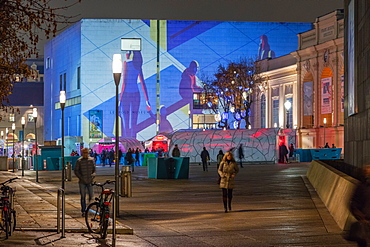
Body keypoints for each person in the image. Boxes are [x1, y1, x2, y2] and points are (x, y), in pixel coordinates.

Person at [348, 165, 370, 247]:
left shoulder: (361, 187)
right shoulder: (362, 187)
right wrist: (362, 218)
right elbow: (354, 204)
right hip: (365, 221)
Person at [74, 148, 96, 217]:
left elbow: (94, 169)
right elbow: (76, 170)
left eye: (86, 152)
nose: (85, 154)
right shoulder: (79, 161)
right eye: (84, 153)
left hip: (89, 180)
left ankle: (88, 207)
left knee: (91, 195)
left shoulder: (91, 160)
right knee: (83, 196)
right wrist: (81, 177)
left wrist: (92, 176)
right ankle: (83, 210)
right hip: (82, 181)